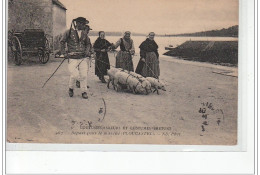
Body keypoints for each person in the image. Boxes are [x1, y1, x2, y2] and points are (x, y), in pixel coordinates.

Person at [60, 17, 91, 99]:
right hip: (72, 57)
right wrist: (63, 53)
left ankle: (84, 91)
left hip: (82, 58)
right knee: (75, 75)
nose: (83, 25)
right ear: (77, 23)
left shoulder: (84, 34)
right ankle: (71, 88)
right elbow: (62, 42)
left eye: (84, 24)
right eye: (81, 23)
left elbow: (88, 44)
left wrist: (87, 51)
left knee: (84, 75)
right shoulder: (68, 32)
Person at [76, 24, 93, 88]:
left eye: (88, 30)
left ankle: (81, 83)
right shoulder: (80, 37)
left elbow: (89, 46)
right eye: (87, 30)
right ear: (84, 30)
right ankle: (79, 82)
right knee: (81, 70)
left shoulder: (87, 38)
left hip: (86, 57)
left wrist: (91, 51)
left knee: (85, 70)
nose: (88, 31)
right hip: (81, 57)